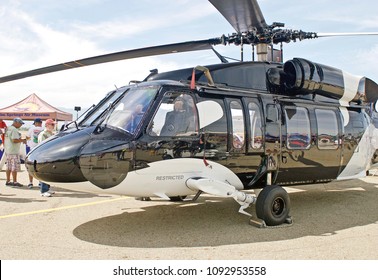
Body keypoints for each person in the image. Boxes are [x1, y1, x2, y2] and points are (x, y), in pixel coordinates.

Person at [4, 118, 27, 187]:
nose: (21, 125)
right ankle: (15, 181)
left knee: (8, 166)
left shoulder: (8, 128)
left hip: (8, 150)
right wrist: (22, 140)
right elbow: (14, 140)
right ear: (16, 122)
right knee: (14, 167)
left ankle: (8, 180)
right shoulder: (14, 130)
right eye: (20, 123)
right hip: (14, 151)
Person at [38, 119, 56, 197]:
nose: (53, 126)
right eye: (52, 124)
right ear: (47, 125)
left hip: (50, 156)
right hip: (44, 156)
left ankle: (47, 188)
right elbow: (43, 146)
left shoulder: (51, 134)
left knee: (49, 173)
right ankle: (43, 190)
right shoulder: (43, 134)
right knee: (44, 173)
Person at [26, 118, 43, 188]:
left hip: (32, 148)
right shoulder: (43, 129)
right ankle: (40, 182)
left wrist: (29, 143)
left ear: (35, 123)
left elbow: (27, 137)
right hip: (40, 149)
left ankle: (30, 182)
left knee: (31, 166)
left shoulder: (31, 128)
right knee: (40, 166)